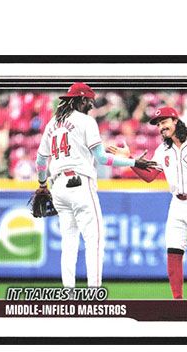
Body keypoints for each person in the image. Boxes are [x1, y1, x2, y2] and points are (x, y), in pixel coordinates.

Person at [35, 82, 155, 289]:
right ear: (81, 100)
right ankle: (94, 293)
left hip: (57, 187)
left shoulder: (52, 123)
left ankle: (69, 293)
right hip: (79, 184)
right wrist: (133, 162)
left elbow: (40, 161)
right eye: (89, 101)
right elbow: (102, 158)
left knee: (68, 244)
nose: (91, 105)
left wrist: (42, 185)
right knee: (94, 241)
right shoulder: (85, 121)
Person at [108, 106, 187, 300]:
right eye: (158, 124)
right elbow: (149, 176)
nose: (161, 127)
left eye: (164, 122)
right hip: (177, 203)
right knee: (173, 252)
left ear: (175, 121)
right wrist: (130, 160)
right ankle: (177, 301)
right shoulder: (163, 149)